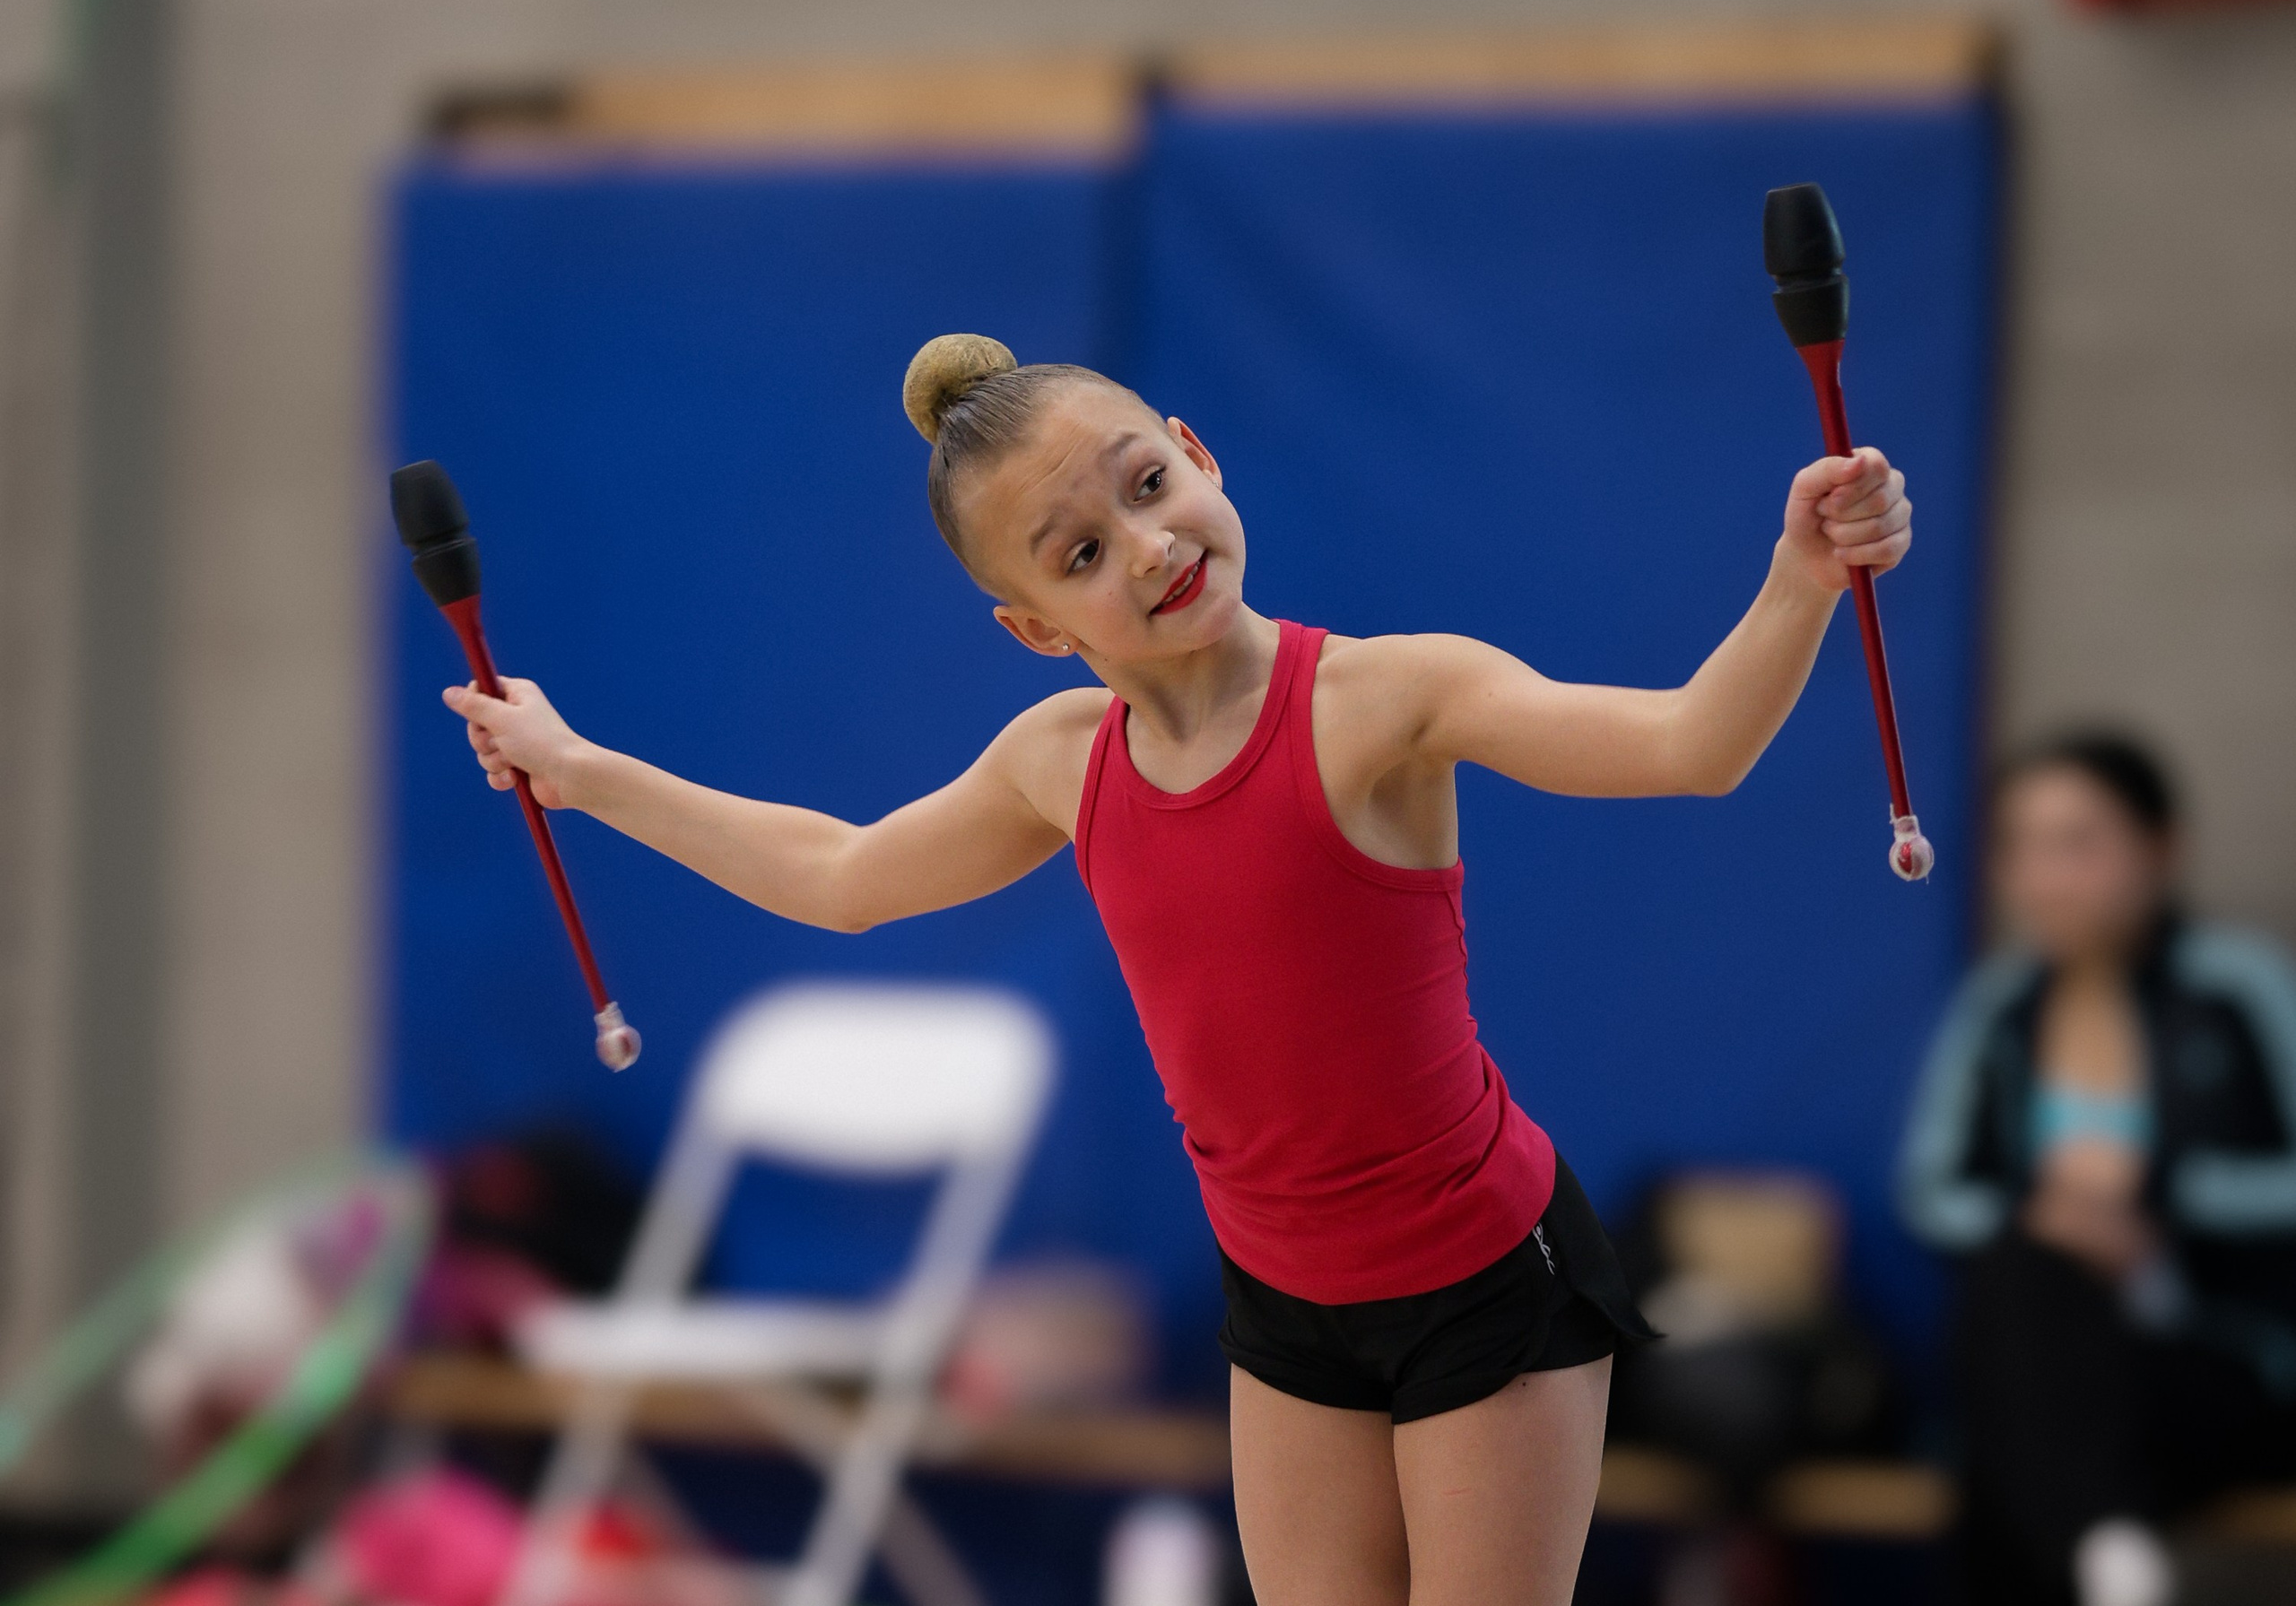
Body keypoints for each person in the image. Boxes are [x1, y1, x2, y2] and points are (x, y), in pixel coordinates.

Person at [445, 334, 1912, 1604]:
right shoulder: (1057, 765)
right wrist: (582, 773)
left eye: (1148, 484)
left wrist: (1799, 575)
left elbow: (1689, 746)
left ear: (1200, 455)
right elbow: (837, 877)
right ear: (1032, 625)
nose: (1146, 547)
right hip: (1283, 1309)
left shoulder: (1390, 697)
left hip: (1487, 1283)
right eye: (1080, 552)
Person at [1899, 734, 2296, 1606]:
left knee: (2014, 1436)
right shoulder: (1998, 1011)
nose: (2045, 875)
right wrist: (2047, 1215)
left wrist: (2157, 1203)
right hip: (2050, 1345)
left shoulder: (2237, 990)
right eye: (2021, 845)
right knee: (2020, 1281)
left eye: (2077, 843)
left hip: (2218, 1356)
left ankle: (2108, 1557)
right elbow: (1929, 1192)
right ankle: (2111, 1555)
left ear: (2161, 847)